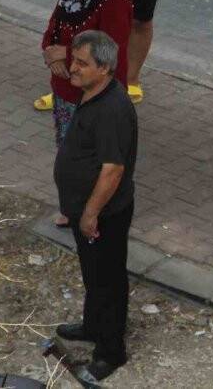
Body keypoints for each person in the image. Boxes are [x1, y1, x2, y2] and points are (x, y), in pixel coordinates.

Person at [53, 30, 138, 383]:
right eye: (74, 60)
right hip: (84, 210)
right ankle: (92, 326)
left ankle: (109, 350)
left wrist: (89, 213)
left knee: (108, 280)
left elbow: (113, 169)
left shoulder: (112, 110)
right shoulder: (94, 94)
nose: (73, 68)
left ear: (104, 68)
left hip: (103, 214)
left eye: (82, 63)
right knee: (93, 275)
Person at [35, 0, 133, 226]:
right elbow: (53, 28)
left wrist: (64, 55)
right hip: (66, 90)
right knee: (69, 152)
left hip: (96, 96)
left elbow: (110, 50)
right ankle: (72, 205)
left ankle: (95, 209)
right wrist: (51, 55)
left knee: (95, 155)